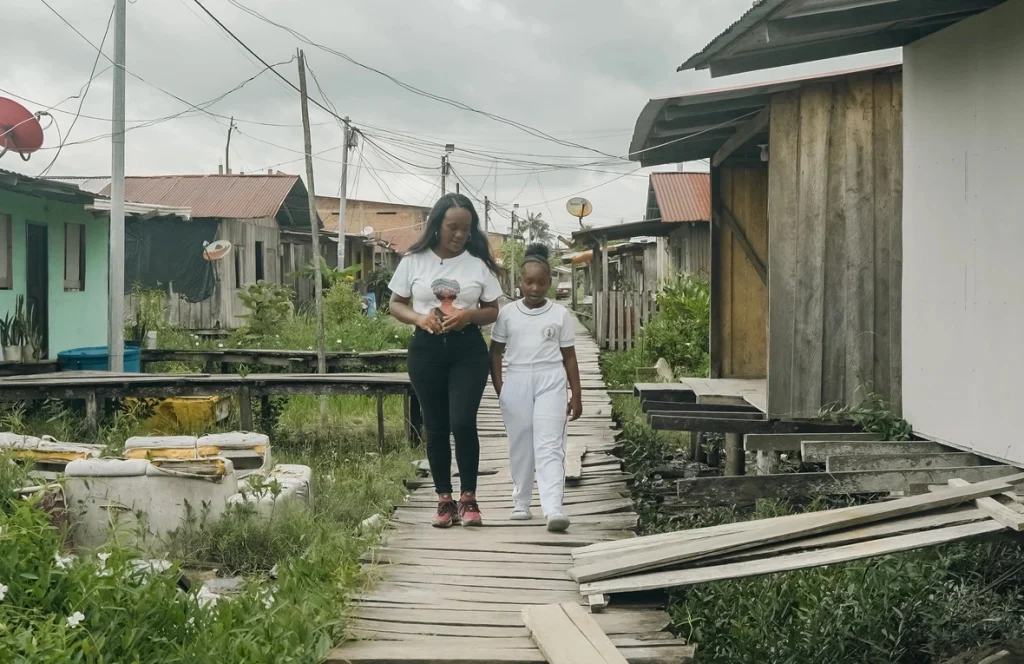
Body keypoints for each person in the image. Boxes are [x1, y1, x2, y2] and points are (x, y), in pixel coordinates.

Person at [388, 194, 502, 528]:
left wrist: (468, 315)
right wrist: (418, 319)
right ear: (436, 225)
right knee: (435, 426)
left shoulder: (478, 263)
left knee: (463, 421)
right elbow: (396, 303)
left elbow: (493, 310)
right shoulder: (414, 260)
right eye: (453, 228)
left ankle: (469, 498)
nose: (459, 235)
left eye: (466, 229)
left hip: (467, 351)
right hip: (426, 350)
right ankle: (444, 500)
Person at [489, 243, 583, 532]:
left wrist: (576, 395)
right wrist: (501, 388)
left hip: (550, 380)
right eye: (529, 282)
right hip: (516, 379)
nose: (535, 288)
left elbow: (569, 356)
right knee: (521, 441)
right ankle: (521, 501)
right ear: (520, 282)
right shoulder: (507, 314)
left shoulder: (559, 315)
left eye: (541, 282)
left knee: (549, 443)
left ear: (549, 283)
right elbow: (495, 352)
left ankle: (553, 507)